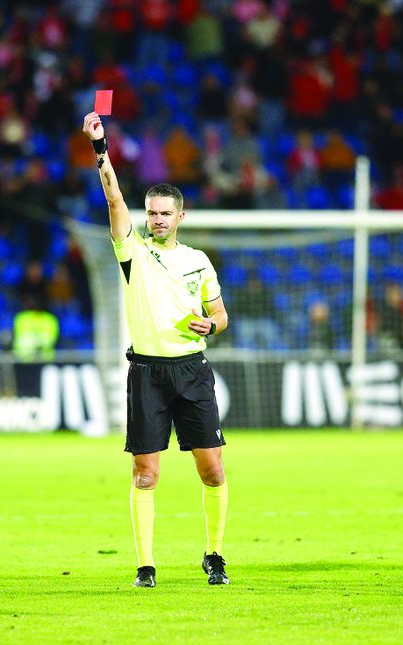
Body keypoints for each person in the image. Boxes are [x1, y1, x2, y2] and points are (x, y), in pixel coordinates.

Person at [82, 111, 231, 588]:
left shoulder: (198, 262)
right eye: (152, 212)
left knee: (212, 469)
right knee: (145, 474)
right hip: (145, 373)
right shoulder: (132, 251)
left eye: (166, 213)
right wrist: (100, 148)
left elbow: (221, 316)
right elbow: (112, 195)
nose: (157, 219)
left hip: (191, 370)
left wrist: (211, 324)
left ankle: (214, 555)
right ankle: (146, 566)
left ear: (180, 216)